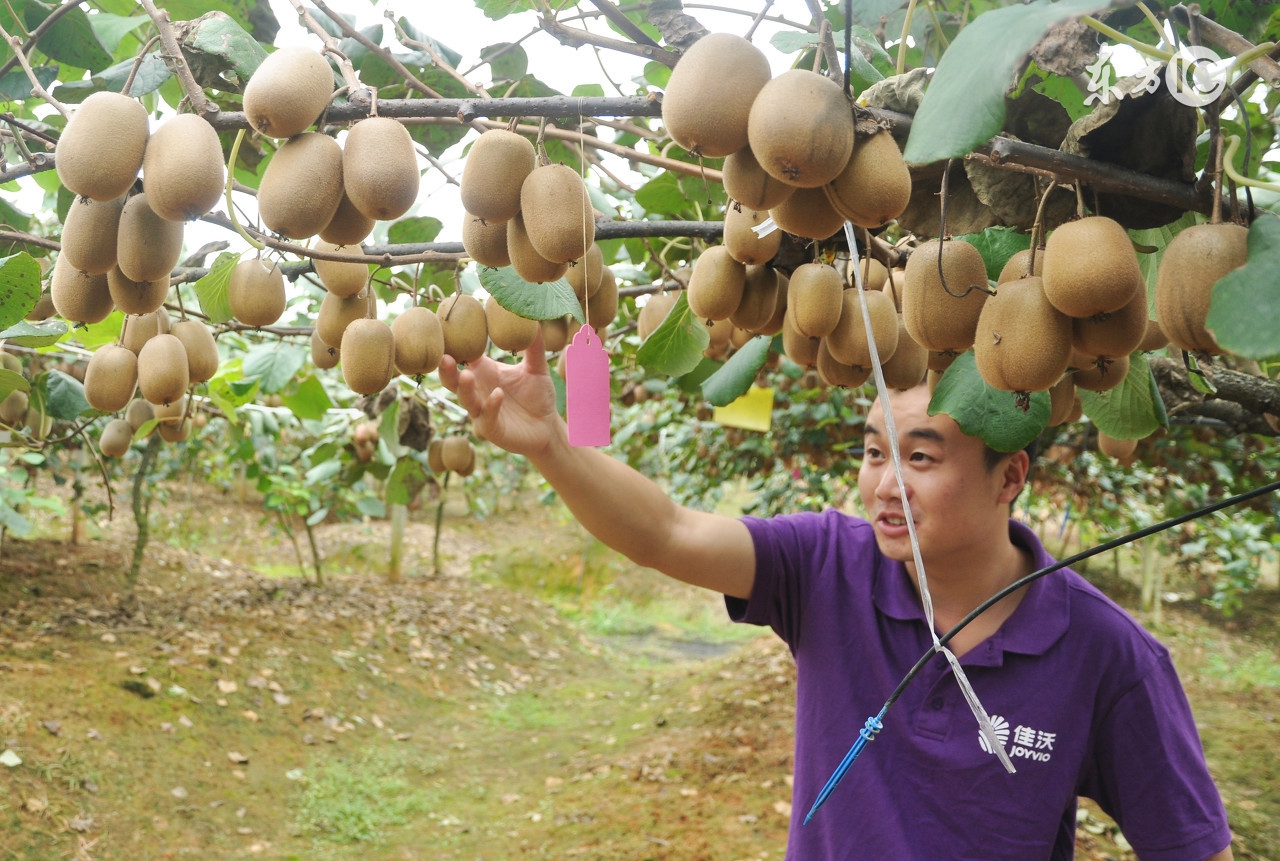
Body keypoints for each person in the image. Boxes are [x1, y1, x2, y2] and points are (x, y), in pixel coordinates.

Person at [439, 334, 1234, 861]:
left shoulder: (1107, 653)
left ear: (1011, 477)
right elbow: (667, 532)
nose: (885, 485)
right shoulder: (827, 565)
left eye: (920, 457)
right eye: (872, 452)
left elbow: (1192, 845)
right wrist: (553, 445)